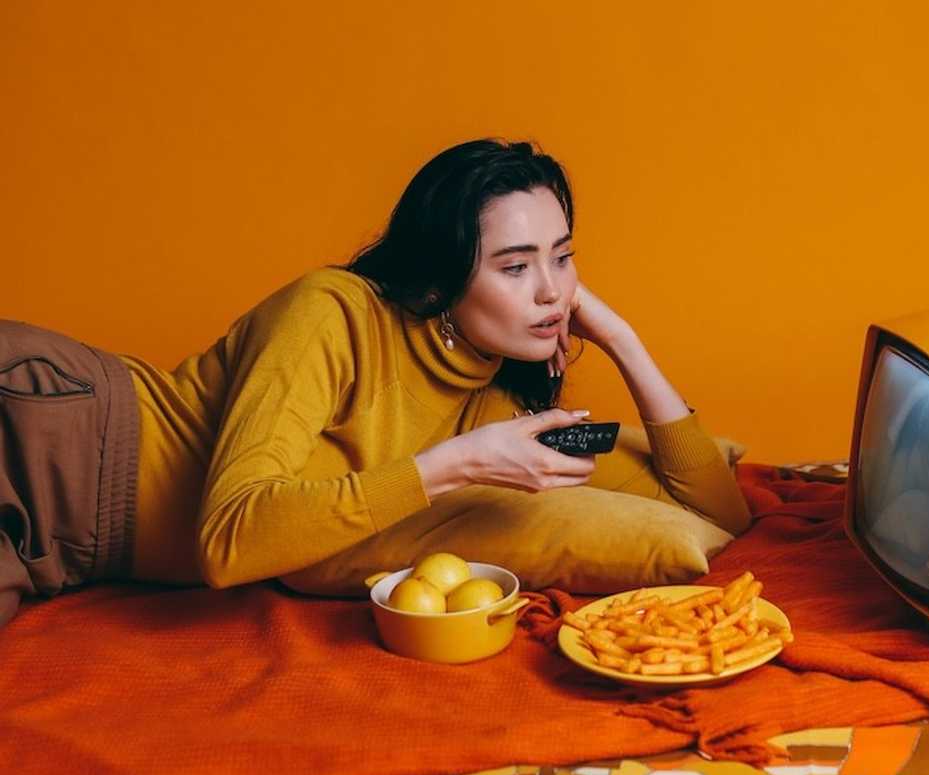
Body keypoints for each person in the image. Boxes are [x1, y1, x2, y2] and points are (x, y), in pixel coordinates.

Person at [0, 138, 751, 628]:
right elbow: (228, 539)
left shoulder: (495, 400)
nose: (553, 292)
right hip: (46, 436)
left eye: (564, 257)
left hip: (61, 550)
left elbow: (720, 514)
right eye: (517, 266)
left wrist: (622, 341)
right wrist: (458, 465)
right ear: (442, 272)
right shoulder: (330, 314)